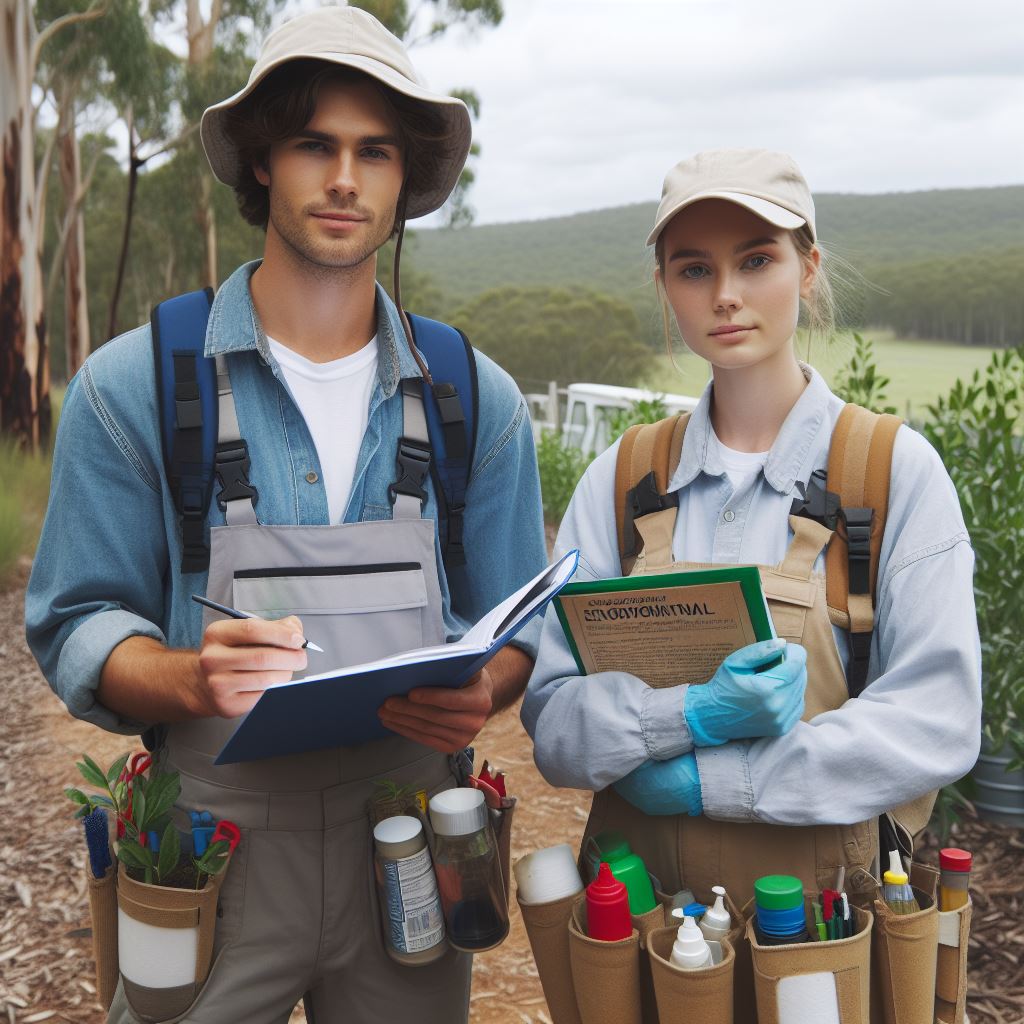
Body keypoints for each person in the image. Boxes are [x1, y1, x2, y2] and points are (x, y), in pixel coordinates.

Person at [26, 8, 546, 1022]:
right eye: (316, 144)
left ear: (405, 179)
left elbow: (518, 622)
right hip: (215, 845)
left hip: (408, 832)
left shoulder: (474, 397)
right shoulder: (133, 386)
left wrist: (485, 682)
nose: (344, 178)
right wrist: (186, 675)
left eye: (374, 151)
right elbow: (75, 619)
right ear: (263, 160)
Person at [522, 149, 981, 913]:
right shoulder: (622, 478)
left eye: (757, 260)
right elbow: (555, 723)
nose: (726, 296)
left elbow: (936, 722)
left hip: (825, 926)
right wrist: (687, 714)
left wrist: (713, 781)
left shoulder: (892, 473)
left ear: (808, 267)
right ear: (666, 286)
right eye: (694, 269)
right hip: (643, 925)